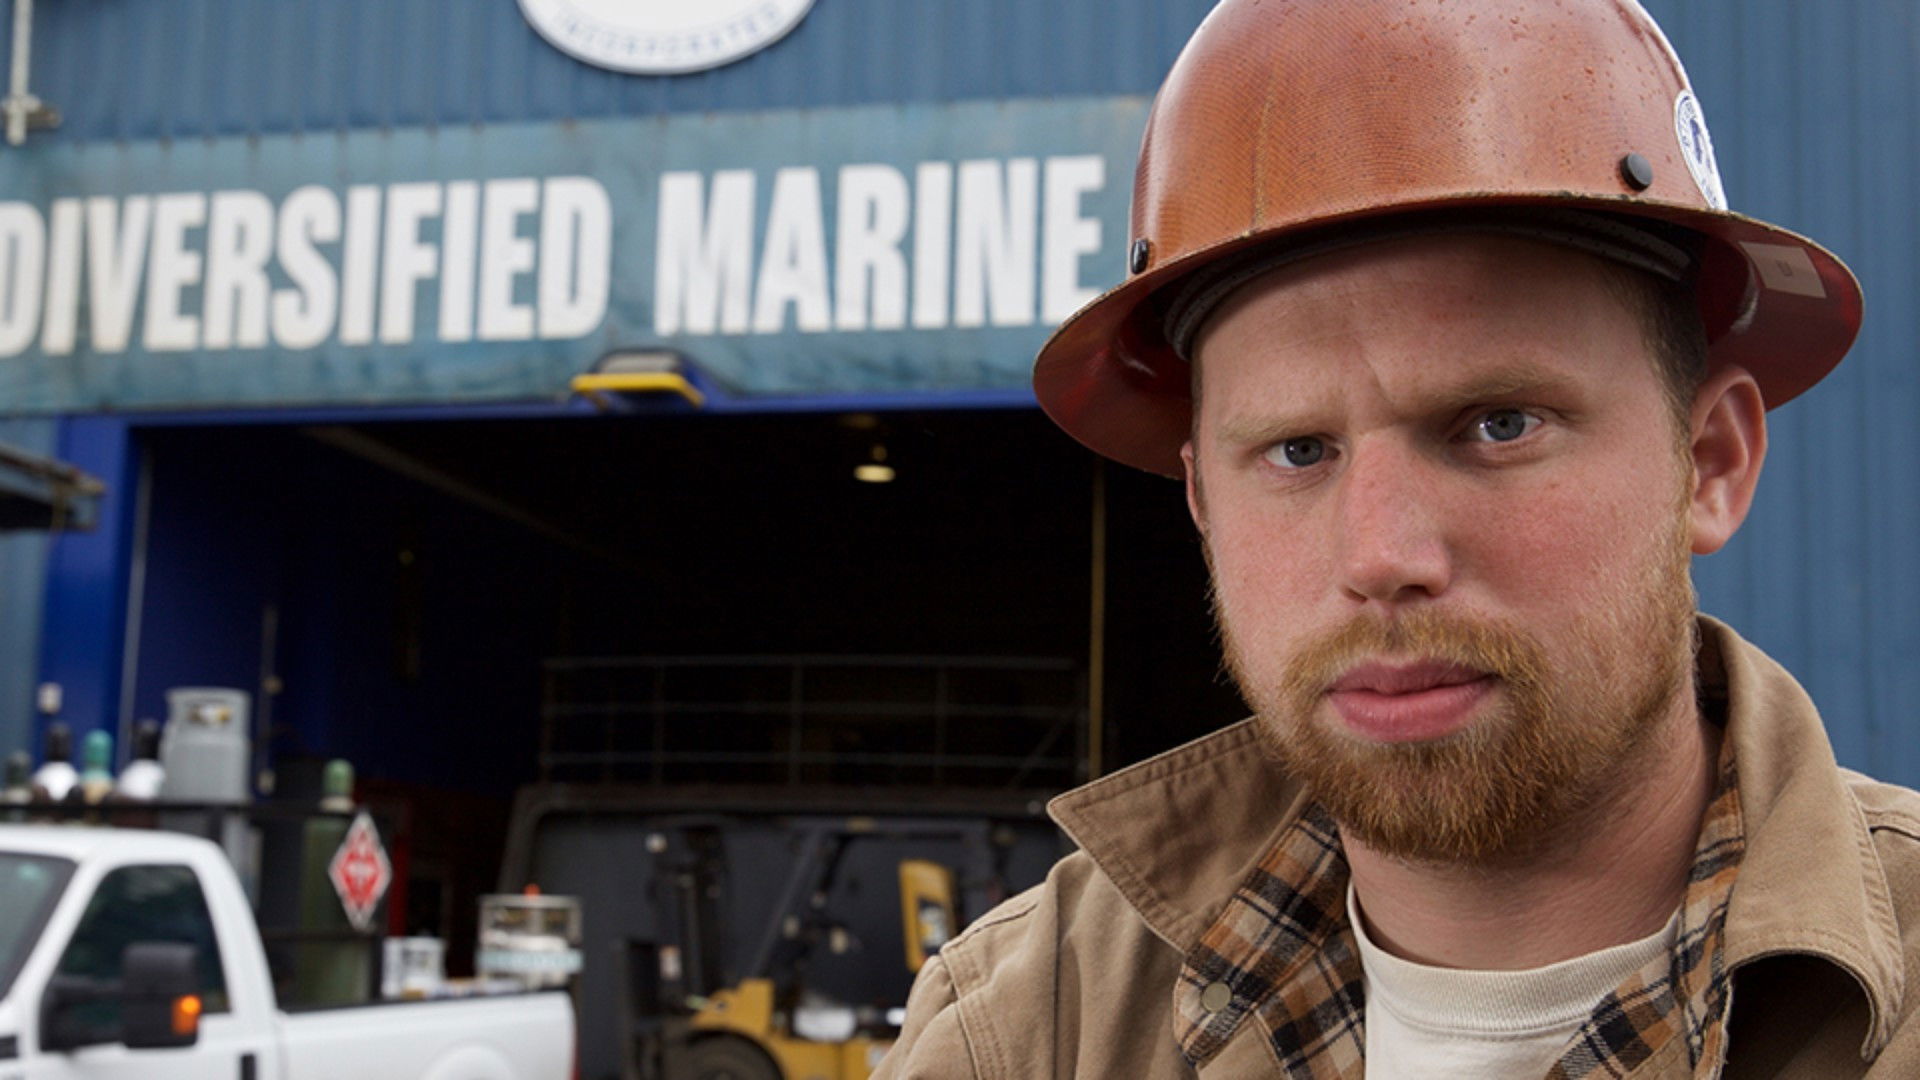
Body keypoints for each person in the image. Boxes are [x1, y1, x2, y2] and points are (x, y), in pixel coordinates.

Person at [875, 0, 1920, 1077]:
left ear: (1709, 462)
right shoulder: (1026, 1027)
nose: (1380, 556)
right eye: (1295, 450)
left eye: (1497, 425)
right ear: (1201, 502)